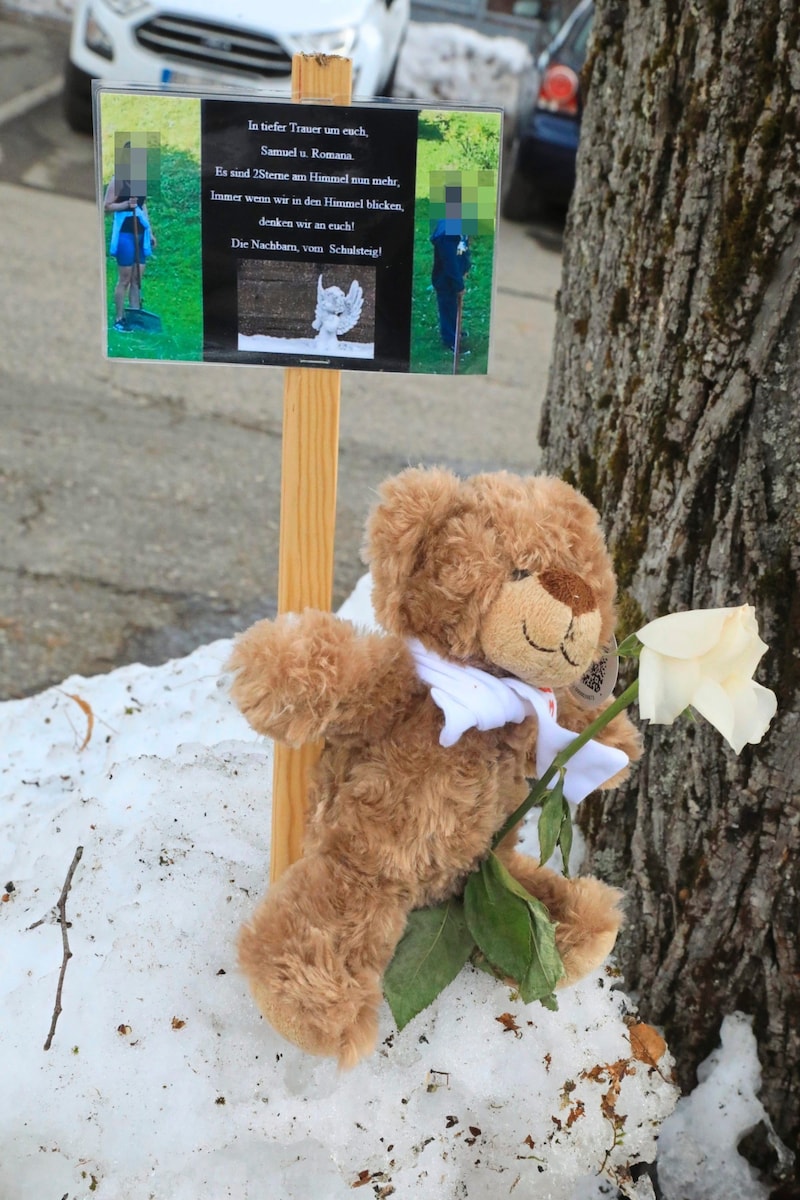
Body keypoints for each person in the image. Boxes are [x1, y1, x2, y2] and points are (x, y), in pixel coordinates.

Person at [103, 165, 156, 333]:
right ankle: (119, 319)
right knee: (124, 279)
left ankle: (135, 317)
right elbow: (106, 207)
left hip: (140, 232)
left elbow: (143, 206)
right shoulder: (117, 180)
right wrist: (126, 204)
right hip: (125, 233)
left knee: (137, 278)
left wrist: (151, 232)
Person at [430, 217, 471, 353]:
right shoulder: (446, 235)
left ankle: (456, 329)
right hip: (446, 279)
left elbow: (464, 245)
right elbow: (450, 262)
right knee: (448, 306)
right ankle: (450, 338)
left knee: (454, 306)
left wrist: (465, 267)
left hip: (455, 275)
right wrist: (458, 285)